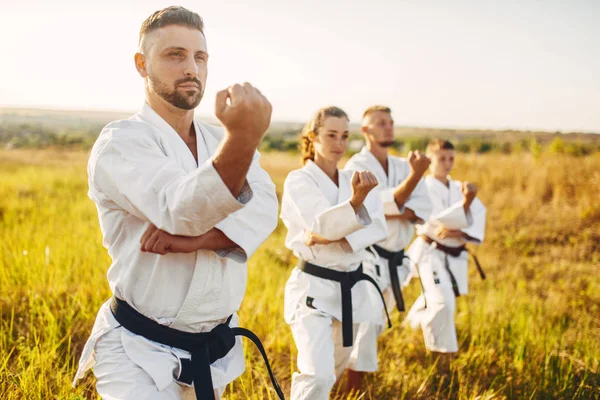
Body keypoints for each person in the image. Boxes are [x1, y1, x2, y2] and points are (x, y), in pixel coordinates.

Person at [71, 6, 282, 400]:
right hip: (137, 352)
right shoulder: (120, 143)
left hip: (209, 353)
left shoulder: (218, 140)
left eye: (200, 57)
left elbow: (265, 207)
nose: (192, 68)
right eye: (175, 55)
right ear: (141, 63)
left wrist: (202, 241)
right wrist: (243, 139)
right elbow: (178, 209)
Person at [280, 106, 390, 400]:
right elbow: (321, 224)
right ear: (312, 137)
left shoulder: (356, 177)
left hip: (351, 287)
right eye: (330, 135)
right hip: (313, 288)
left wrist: (333, 236)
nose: (339, 144)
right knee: (318, 375)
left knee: (335, 372)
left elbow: (378, 226)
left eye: (344, 136)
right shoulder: (299, 180)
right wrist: (354, 206)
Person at [344, 105, 433, 390]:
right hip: (369, 257)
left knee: (378, 324)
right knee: (368, 322)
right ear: (366, 130)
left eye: (391, 122)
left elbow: (423, 208)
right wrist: (414, 179)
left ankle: (352, 374)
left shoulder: (400, 166)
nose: (388, 127)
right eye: (380, 123)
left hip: (398, 258)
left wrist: (390, 205)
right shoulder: (356, 166)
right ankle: (353, 387)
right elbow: (371, 207)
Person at [405, 139, 487, 353]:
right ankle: (441, 354)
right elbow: (436, 219)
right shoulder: (423, 188)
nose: (447, 163)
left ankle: (410, 326)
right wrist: (466, 204)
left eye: (451, 158)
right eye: (441, 158)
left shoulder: (458, 187)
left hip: (454, 255)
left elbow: (478, 215)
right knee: (443, 303)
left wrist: (458, 231)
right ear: (430, 160)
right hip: (431, 253)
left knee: (433, 296)